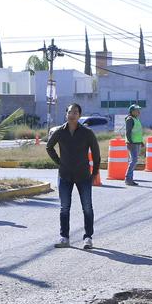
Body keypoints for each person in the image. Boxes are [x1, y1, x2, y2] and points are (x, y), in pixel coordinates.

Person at [46, 103, 102, 249]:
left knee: (87, 207)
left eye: (75, 112)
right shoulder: (59, 131)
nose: (72, 115)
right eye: (70, 112)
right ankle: (64, 237)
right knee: (64, 208)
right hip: (64, 175)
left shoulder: (87, 133)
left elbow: (96, 154)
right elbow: (49, 147)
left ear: (79, 115)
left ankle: (88, 237)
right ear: (66, 114)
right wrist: (59, 162)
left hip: (83, 175)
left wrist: (95, 173)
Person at [123, 104, 144, 185]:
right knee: (134, 161)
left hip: (137, 143)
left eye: (139, 110)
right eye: (136, 110)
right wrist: (130, 142)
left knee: (134, 161)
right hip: (132, 143)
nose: (139, 112)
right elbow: (128, 132)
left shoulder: (136, 119)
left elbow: (137, 132)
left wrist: (141, 141)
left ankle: (129, 179)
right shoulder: (130, 119)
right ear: (132, 111)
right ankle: (128, 179)